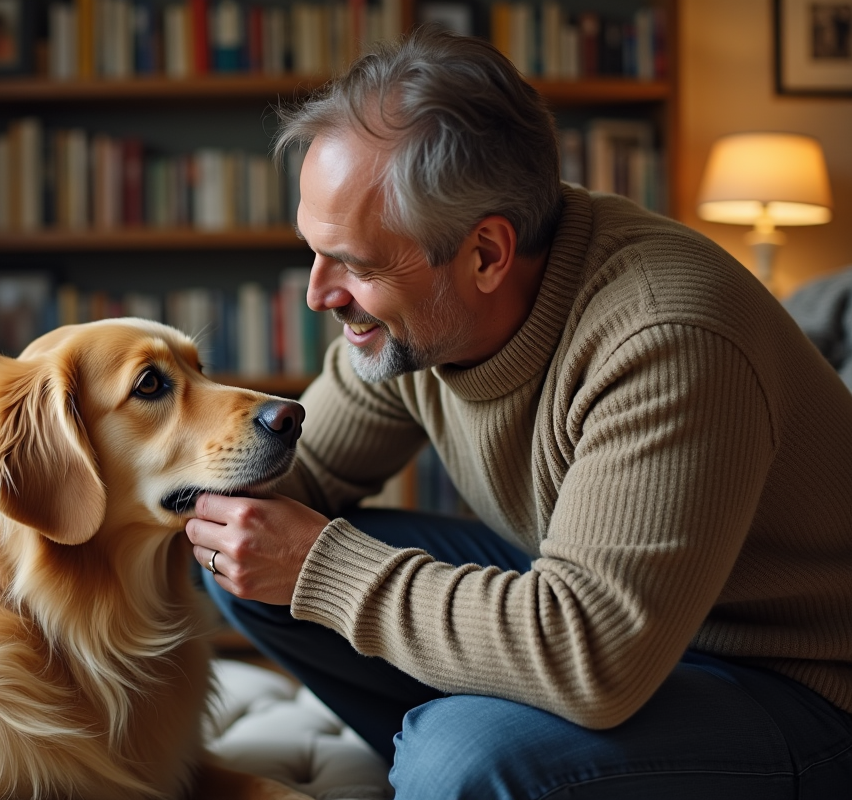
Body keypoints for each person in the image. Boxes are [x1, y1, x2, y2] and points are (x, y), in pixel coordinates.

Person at [184, 27, 852, 798]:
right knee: (244, 550)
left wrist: (321, 568)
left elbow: (592, 654)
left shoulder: (667, 336)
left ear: (487, 255)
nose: (319, 292)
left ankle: (473, 764)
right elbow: (291, 484)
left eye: (358, 264)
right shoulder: (412, 322)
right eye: (314, 249)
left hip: (794, 680)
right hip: (605, 610)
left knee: (461, 758)